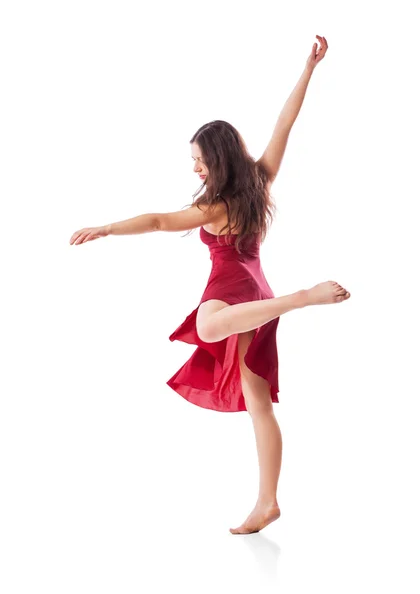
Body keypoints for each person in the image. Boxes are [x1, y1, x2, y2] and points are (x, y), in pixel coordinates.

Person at [69, 35, 350, 535]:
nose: (195, 168)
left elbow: (158, 221)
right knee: (257, 401)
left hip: (234, 293)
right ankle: (267, 502)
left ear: (218, 161)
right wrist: (309, 69)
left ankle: (302, 299)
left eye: (199, 160)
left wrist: (108, 227)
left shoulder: (216, 205)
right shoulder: (260, 181)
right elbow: (286, 123)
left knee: (207, 323)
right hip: (257, 293)